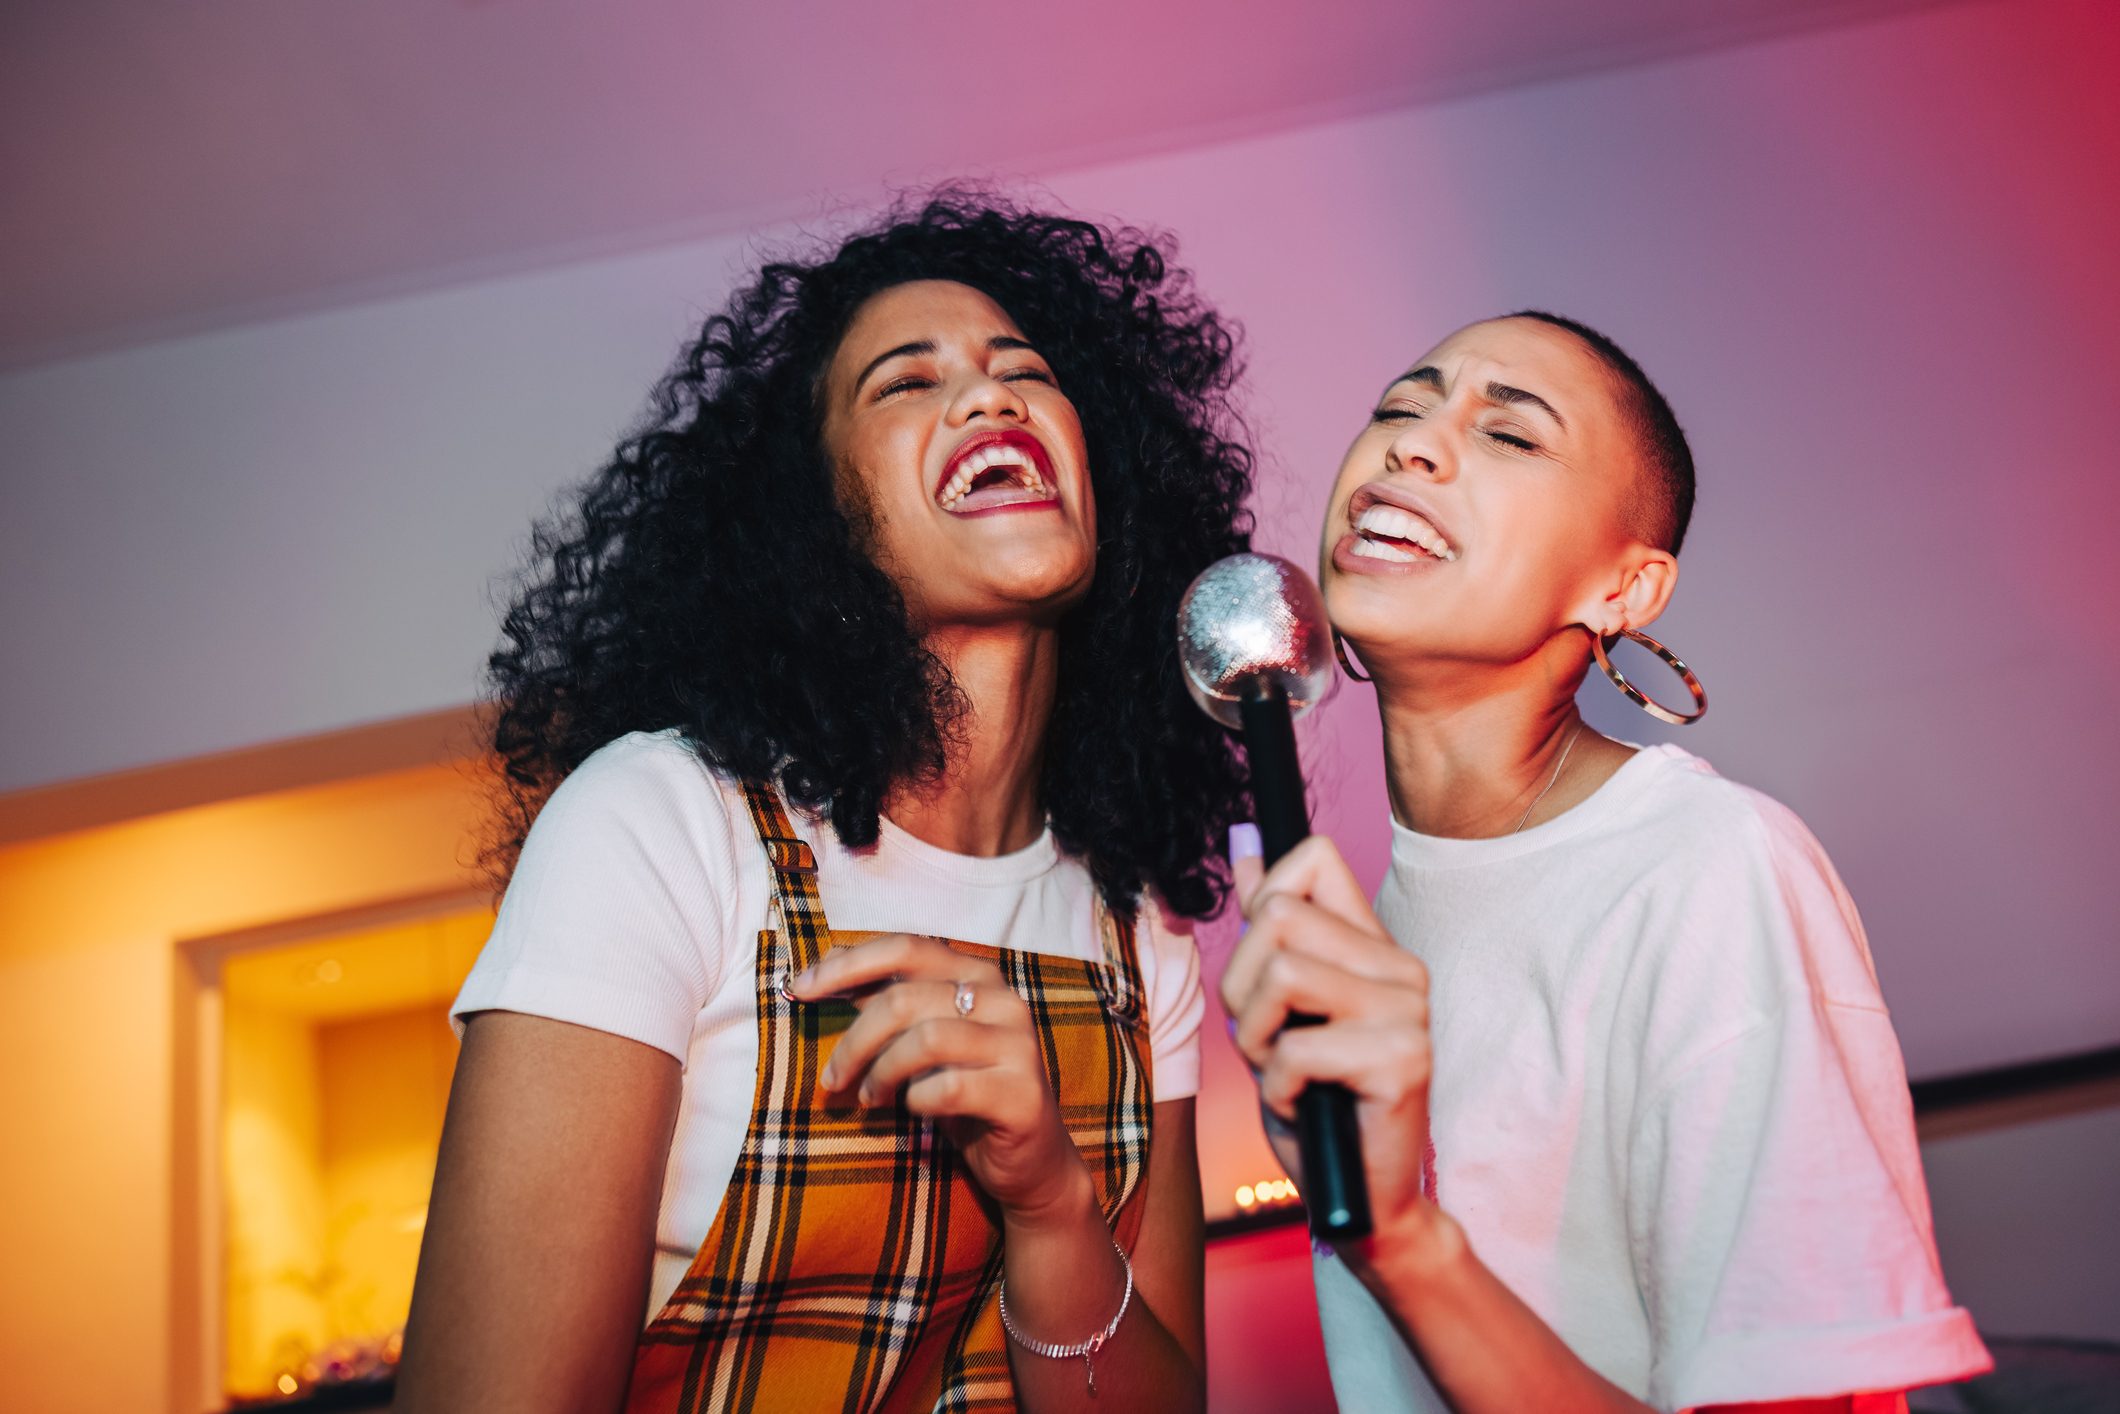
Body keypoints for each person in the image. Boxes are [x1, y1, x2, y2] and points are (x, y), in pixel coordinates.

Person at [394, 191, 1255, 1413]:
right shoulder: (658, 825)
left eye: (1025, 372)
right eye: (906, 382)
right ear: (817, 518)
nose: (990, 397)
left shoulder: (1132, 925)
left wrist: (1051, 1201)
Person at [1219, 311, 1992, 1412]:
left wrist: (1403, 1237)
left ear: (1624, 593)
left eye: (1509, 434)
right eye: (1399, 407)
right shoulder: (1372, 927)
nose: (1412, 444)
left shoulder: (1708, 870)